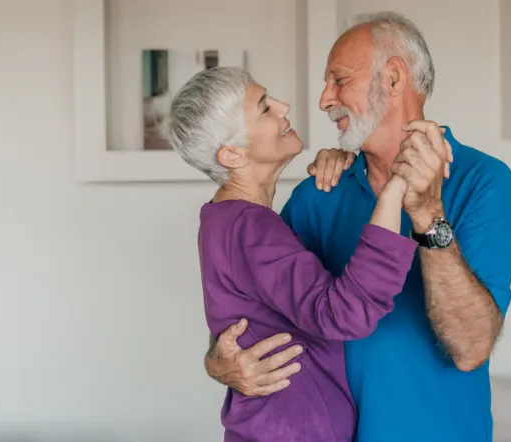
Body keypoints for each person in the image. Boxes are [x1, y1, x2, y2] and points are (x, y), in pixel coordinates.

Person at [204, 11, 511, 442]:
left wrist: (428, 213)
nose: (323, 100)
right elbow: (254, 304)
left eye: (339, 80)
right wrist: (217, 361)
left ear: (393, 79)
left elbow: (470, 349)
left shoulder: (484, 181)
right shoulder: (319, 192)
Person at [164, 66, 422, 441]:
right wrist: (397, 186)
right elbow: (345, 313)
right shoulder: (250, 229)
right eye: (265, 107)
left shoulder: (224, 220)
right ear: (232, 155)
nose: (284, 107)